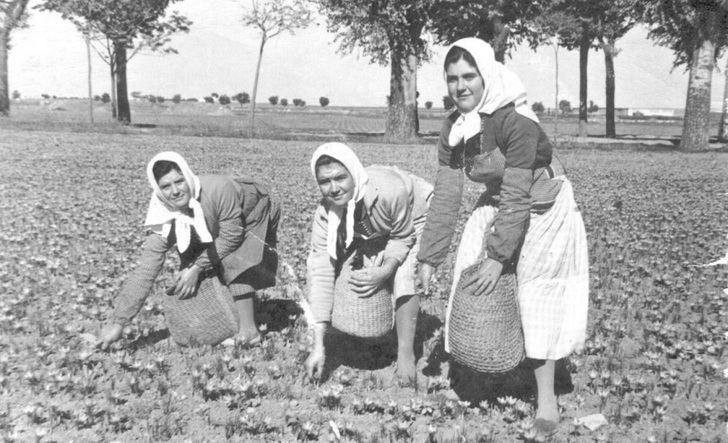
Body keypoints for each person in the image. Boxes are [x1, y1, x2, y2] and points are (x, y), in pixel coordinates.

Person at [416, 37, 588, 434]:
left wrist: (498, 256)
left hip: (544, 206)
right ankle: (474, 378)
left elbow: (519, 191)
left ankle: (547, 396)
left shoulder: (517, 121)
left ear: (487, 75)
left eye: (469, 76)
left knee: (535, 293)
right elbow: (446, 192)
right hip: (502, 203)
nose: (461, 86)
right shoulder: (453, 127)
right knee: (468, 277)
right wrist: (430, 256)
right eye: (452, 78)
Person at [99, 151, 279, 349]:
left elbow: (231, 237)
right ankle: (225, 319)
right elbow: (146, 269)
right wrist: (119, 322)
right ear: (158, 190)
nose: (175, 191)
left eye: (179, 181)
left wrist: (196, 267)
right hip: (214, 223)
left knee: (234, 261)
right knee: (198, 269)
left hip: (252, 211)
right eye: (166, 186)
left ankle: (249, 332)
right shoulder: (163, 215)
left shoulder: (218, 189)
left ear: (188, 176)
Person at [304, 142, 433, 385]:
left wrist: (385, 270)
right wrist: (318, 346)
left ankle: (406, 352)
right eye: (324, 181)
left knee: (404, 273)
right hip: (369, 224)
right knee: (339, 264)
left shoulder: (389, 191)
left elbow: (402, 236)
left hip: (412, 214)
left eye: (340, 178)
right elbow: (321, 271)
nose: (333, 188)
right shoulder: (326, 214)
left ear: (354, 173)